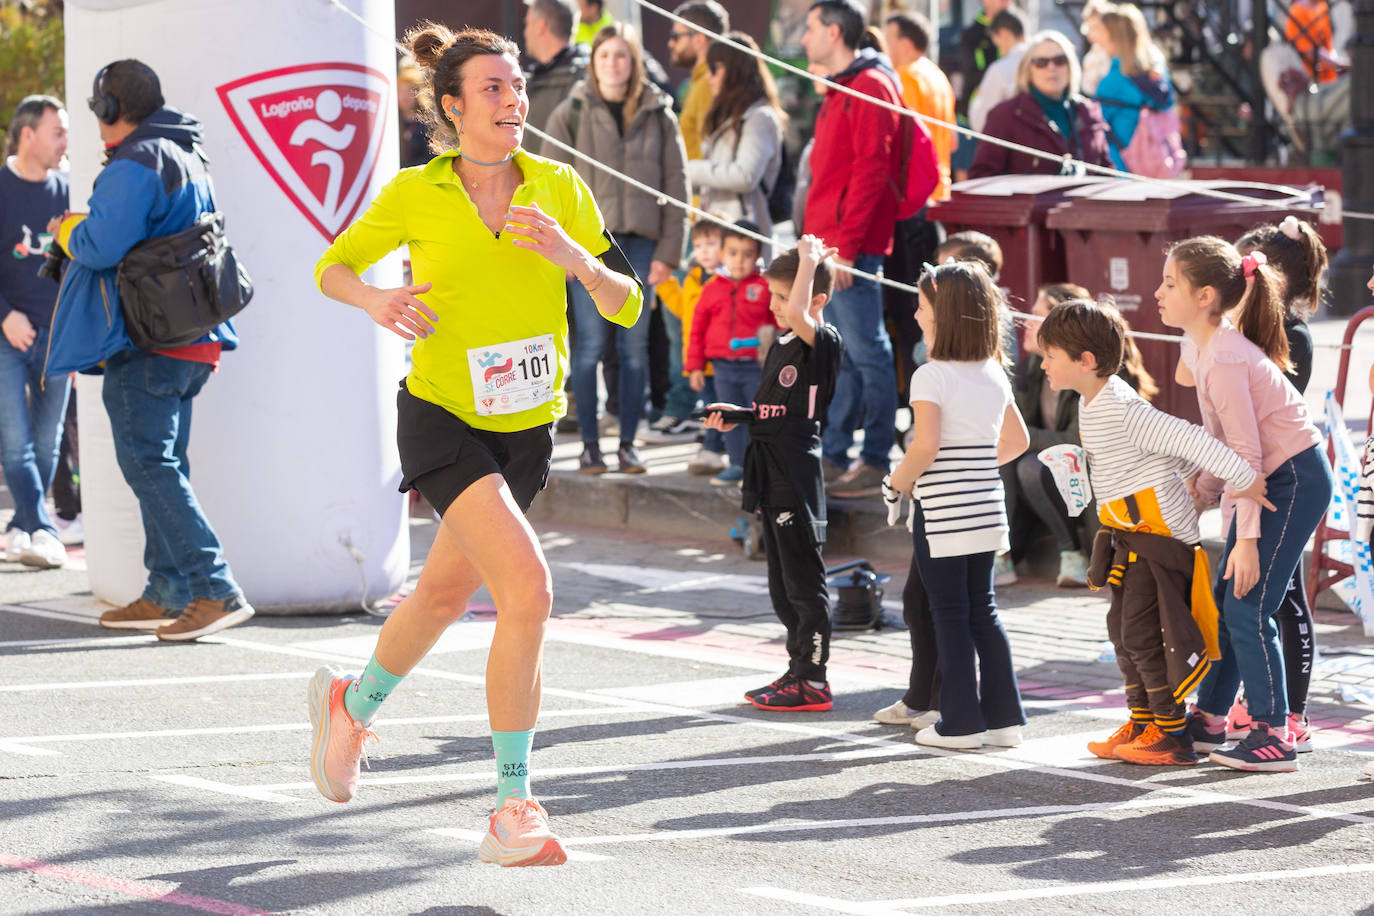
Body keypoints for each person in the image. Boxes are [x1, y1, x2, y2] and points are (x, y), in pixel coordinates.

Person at [310, 25, 644, 865]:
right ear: (453, 108)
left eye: (519, 86)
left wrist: (578, 260)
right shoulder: (417, 192)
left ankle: (352, 705)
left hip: (526, 429)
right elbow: (332, 268)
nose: (514, 101)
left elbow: (628, 305)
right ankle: (511, 807)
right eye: (493, 89)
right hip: (443, 419)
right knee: (527, 588)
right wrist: (377, 302)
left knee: (439, 597)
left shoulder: (560, 187)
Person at [46, 61, 253, 640]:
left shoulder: (137, 161)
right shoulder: (185, 152)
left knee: (148, 463)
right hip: (192, 340)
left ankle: (213, 588)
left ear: (110, 111)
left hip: (149, 342)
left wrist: (66, 230)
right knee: (165, 462)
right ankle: (170, 590)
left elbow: (100, 244)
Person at [1037, 299, 1270, 765]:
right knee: (1122, 634)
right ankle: (1143, 722)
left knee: (1146, 636)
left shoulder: (1123, 407)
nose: (1042, 364)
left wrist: (1245, 480)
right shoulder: (1091, 402)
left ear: (1085, 361)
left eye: (1050, 356)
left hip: (1158, 540)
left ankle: (1172, 734)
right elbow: (1168, 452)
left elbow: (1192, 439)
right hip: (1129, 534)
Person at [1158, 237, 1331, 773]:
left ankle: (1273, 732)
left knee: (1247, 604)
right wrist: (1203, 490)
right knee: (1235, 598)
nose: (1157, 293)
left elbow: (1248, 459)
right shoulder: (1209, 348)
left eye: (1169, 284)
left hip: (1291, 480)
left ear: (1206, 295)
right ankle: (1210, 719)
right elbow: (1229, 449)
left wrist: (1248, 539)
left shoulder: (1226, 356)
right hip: (1269, 479)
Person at [883, 260, 1029, 751]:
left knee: (948, 612)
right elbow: (1017, 441)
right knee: (982, 612)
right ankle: (1006, 719)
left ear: (944, 316)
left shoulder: (931, 375)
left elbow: (924, 447)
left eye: (923, 307)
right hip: (988, 507)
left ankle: (961, 722)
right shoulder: (993, 372)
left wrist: (896, 482)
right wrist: (975, 464)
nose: (917, 314)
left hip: (943, 511)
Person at [802, 0, 937, 499]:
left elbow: (870, 173)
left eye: (810, 28)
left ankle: (875, 457)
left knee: (868, 355)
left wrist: (846, 247)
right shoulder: (847, 84)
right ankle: (838, 454)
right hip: (830, 246)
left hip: (848, 249)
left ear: (834, 32)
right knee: (847, 356)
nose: (803, 39)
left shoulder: (871, 84)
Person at [702, 236, 843, 711]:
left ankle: (813, 679)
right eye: (776, 297)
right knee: (782, 585)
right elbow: (776, 410)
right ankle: (796, 665)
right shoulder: (780, 345)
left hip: (796, 474)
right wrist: (739, 415)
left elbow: (804, 316)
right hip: (770, 472)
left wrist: (808, 261)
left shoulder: (821, 340)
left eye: (786, 297)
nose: (778, 306)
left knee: (805, 582)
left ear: (815, 299)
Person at [544, 22, 688, 474]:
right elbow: (549, 186)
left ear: (635, 62)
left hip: (644, 245)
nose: (613, 63)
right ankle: (590, 446)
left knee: (633, 349)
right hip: (589, 244)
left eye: (622, 55)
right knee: (587, 348)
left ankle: (628, 444)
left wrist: (669, 253)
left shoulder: (660, 114)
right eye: (605, 54)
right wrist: (563, 252)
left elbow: (677, 186)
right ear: (594, 61)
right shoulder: (571, 111)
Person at [1218, 216, 1327, 749]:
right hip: (1259, 479)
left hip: (1287, 478)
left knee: (1279, 596)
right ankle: (1229, 708)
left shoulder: (1292, 337)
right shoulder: (1232, 340)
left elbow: (1258, 429)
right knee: (1253, 596)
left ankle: (1292, 714)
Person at [1, 95, 71, 569]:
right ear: (28, 135)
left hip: (57, 337)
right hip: (5, 335)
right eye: (57, 132)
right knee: (15, 442)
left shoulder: (67, 190)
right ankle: (43, 528)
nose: (66, 142)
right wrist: (5, 315)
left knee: (47, 444)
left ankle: (20, 525)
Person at [686, 222, 770, 486]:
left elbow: (777, 323)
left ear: (758, 255)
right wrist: (695, 366)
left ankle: (758, 468)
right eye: (733, 253)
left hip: (756, 367)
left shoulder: (766, 287)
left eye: (748, 254)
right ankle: (736, 464)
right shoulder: (712, 287)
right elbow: (696, 328)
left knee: (759, 417)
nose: (740, 260)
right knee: (728, 418)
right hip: (722, 367)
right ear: (722, 253)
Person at [969, 30, 1113, 179]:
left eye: (1060, 61)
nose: (1051, 68)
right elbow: (981, 177)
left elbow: (1107, 173)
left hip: (1083, 201)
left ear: (1071, 66)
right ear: (1028, 70)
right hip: (1029, 202)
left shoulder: (1088, 112)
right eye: (1041, 63)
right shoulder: (1005, 115)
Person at [686, 33, 785, 240]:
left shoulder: (759, 118)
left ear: (735, 71)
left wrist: (692, 169)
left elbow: (745, 176)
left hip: (744, 237)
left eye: (713, 68)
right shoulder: (727, 116)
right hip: (715, 232)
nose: (708, 77)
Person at [651, 218, 720, 448]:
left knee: (724, 404)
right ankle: (712, 443)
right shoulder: (693, 278)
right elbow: (685, 311)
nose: (704, 251)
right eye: (699, 245)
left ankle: (718, 445)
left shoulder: (726, 280)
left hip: (723, 360)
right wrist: (665, 286)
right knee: (712, 405)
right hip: (701, 361)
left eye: (711, 244)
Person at [1094, 7, 1175, 173]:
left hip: (1127, 173)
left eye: (1101, 32)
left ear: (1111, 36)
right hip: (1162, 164)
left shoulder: (1110, 83)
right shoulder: (1157, 76)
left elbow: (1102, 136)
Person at [953, 0, 1013, 179]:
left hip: (1010, 118)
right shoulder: (972, 35)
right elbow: (974, 73)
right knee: (968, 171)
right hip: (974, 116)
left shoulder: (1018, 23)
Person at [667, 1, 730, 160]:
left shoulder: (708, 84)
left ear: (699, 39)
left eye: (676, 36)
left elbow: (709, 154)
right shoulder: (700, 81)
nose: (670, 43)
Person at [522, 0, 588, 134]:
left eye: (527, 24)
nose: (525, 32)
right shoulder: (532, 79)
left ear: (540, 26)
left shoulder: (583, 82)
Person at [968, 8, 1028, 134]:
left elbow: (981, 120)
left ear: (1004, 33)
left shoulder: (1000, 69)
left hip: (1012, 143)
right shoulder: (1045, 63)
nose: (1000, 50)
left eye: (998, 44)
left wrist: (977, 99)